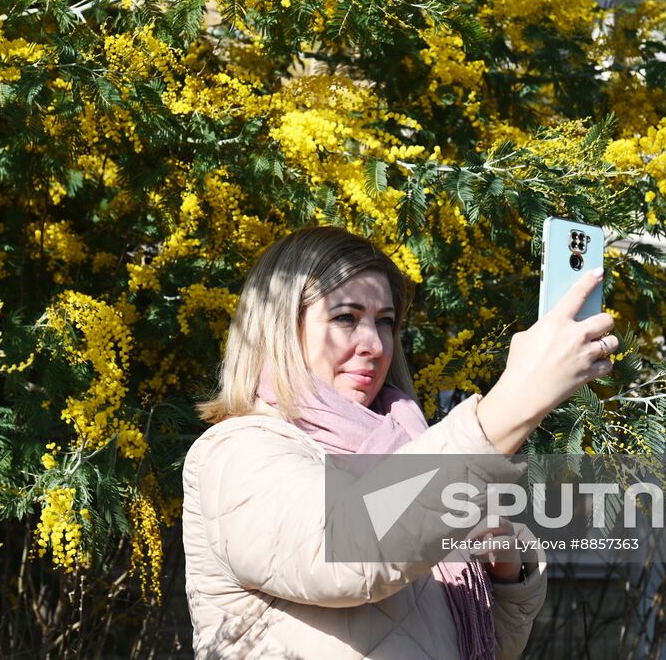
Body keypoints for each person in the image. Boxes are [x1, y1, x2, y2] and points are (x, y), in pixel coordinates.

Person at [182, 226, 618, 658]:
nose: (374, 344)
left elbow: (478, 646)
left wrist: (506, 573)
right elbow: (350, 551)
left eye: (385, 322)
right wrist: (517, 397)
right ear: (278, 329)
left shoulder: (406, 443)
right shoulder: (236, 451)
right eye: (345, 318)